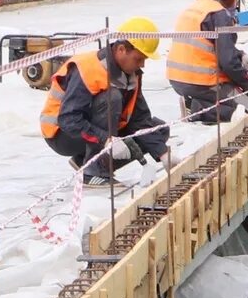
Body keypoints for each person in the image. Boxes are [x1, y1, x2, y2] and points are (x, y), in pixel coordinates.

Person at [39, 17, 170, 182]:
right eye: (139, 59)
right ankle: (93, 172)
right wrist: (106, 140)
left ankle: (86, 161)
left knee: (159, 130)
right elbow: (69, 119)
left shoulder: (131, 75)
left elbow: (139, 120)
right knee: (112, 97)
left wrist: (163, 154)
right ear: (122, 49)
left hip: (93, 130)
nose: (142, 65)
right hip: (62, 135)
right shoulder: (88, 69)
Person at [167, 0, 248, 124]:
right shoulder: (220, 15)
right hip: (202, 81)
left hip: (177, 79)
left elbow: (210, 47)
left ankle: (193, 101)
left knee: (237, 96)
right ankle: (198, 109)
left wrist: (241, 55)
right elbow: (228, 63)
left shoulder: (198, 6)